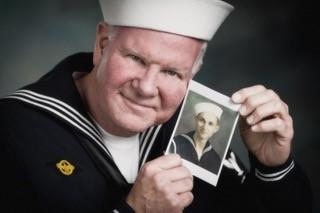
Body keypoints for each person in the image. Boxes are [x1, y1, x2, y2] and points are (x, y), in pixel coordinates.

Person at [0, 0, 312, 212]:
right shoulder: (12, 131)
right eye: (136, 58)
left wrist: (274, 168)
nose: (147, 87)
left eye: (172, 72)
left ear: (191, 76)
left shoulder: (195, 126)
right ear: (102, 45)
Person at [170, 102, 223, 174]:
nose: (205, 127)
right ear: (196, 120)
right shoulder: (175, 143)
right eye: (202, 120)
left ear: (216, 129)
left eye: (210, 124)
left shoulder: (216, 160)